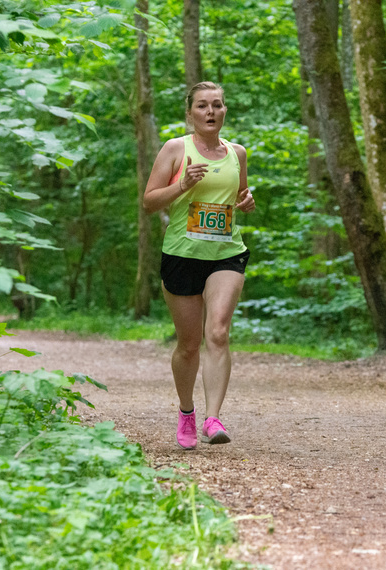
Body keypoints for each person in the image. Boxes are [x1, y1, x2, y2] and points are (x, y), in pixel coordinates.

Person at [143, 81, 255, 450]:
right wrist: (182, 186)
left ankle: (213, 418)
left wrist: (247, 201)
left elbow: (239, 196)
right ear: (190, 113)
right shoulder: (176, 149)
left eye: (217, 105)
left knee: (218, 333)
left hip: (226, 253)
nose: (211, 112)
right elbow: (149, 202)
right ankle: (187, 412)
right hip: (182, 254)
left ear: (225, 111)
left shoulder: (237, 153)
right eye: (203, 106)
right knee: (189, 345)